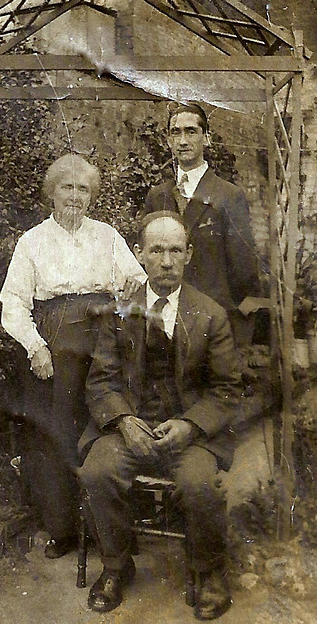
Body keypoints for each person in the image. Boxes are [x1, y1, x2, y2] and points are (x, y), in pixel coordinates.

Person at [79, 211, 241, 620]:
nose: (166, 261)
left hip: (188, 433)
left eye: (174, 250)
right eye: (156, 251)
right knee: (98, 471)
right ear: (141, 255)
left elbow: (226, 389)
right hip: (130, 427)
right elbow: (101, 381)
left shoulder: (210, 314)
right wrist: (123, 421)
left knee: (200, 483)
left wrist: (189, 425)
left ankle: (209, 572)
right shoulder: (120, 313)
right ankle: (115, 566)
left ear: (187, 255)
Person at [0, 153, 146, 559]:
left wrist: (127, 305)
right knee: (57, 436)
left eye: (83, 189)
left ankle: (107, 532)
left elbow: (137, 279)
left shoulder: (107, 236)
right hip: (56, 347)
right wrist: (35, 347)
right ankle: (63, 530)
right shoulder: (33, 241)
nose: (75, 196)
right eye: (68, 187)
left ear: (92, 196)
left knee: (104, 428)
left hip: (103, 343)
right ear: (52, 192)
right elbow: (12, 303)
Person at [144, 102, 261, 345]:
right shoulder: (158, 196)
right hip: (166, 320)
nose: (183, 140)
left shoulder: (228, 196)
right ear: (168, 141)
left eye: (191, 131)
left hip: (213, 320)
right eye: (175, 132)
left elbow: (243, 268)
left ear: (206, 138)